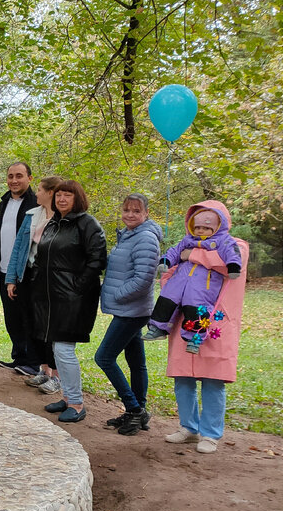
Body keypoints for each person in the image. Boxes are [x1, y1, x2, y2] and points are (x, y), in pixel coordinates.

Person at [160, 202, 249, 454]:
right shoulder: (184, 244)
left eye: (207, 224)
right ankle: (188, 427)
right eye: (196, 225)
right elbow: (171, 271)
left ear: (221, 223)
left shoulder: (237, 245)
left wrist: (191, 255)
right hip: (186, 318)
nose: (201, 230)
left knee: (213, 379)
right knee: (183, 377)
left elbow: (228, 263)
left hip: (217, 320)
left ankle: (210, 434)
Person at [27, 180, 107, 423]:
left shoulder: (87, 224)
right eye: (59, 195)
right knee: (55, 348)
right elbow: (42, 258)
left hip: (75, 298)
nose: (61, 199)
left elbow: (98, 260)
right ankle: (68, 396)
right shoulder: (53, 223)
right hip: (50, 297)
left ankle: (77, 403)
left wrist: (78, 287)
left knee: (63, 349)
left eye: (67, 196)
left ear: (77, 198)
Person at [95, 194, 162, 435]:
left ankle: (134, 410)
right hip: (131, 309)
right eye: (126, 210)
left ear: (146, 214)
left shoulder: (145, 238)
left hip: (132, 311)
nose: (130, 214)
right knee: (136, 363)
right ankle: (138, 412)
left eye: (136, 211)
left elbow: (144, 279)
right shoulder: (128, 235)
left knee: (103, 358)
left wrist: (116, 295)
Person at [145, 205, 244, 349]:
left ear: (216, 228)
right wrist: (166, 261)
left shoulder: (223, 241)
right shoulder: (188, 240)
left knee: (196, 308)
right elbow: (175, 251)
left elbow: (232, 252)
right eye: (197, 227)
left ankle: (194, 339)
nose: (200, 230)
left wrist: (233, 265)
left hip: (203, 284)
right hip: (180, 280)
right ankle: (157, 328)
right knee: (166, 300)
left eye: (205, 228)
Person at [6, 176, 65, 394]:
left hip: (52, 281)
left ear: (51, 193)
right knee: (33, 325)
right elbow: (18, 249)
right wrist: (11, 279)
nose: (36, 193)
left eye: (40, 189)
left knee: (50, 328)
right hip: (28, 276)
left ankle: (57, 376)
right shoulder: (32, 215)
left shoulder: (64, 219)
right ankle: (43, 370)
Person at [0, 162, 39, 374]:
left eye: (19, 176)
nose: (14, 180)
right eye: (10, 176)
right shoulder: (2, 204)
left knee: (27, 316)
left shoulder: (37, 204)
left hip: (26, 272)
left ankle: (32, 361)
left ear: (30, 178)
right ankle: (18, 357)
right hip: (4, 269)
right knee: (11, 317)